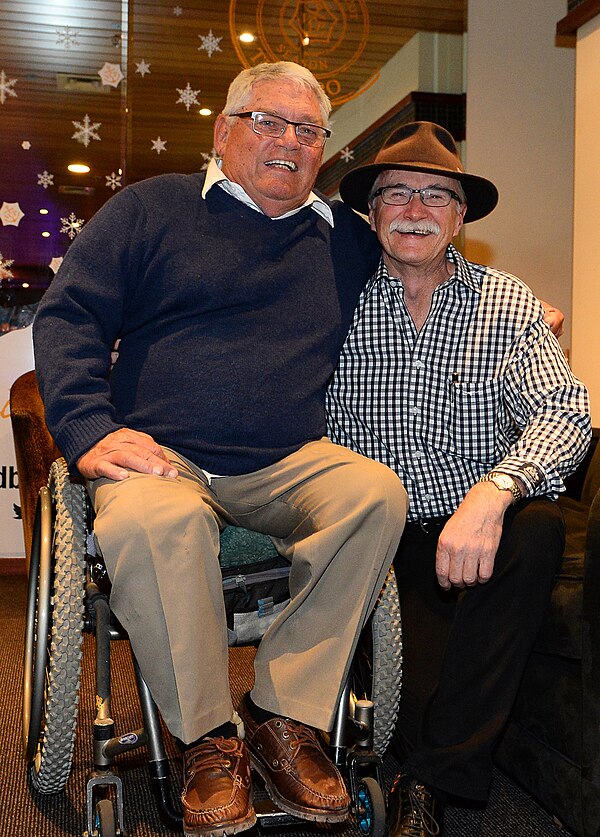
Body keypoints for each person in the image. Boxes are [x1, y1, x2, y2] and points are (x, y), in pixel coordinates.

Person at [33, 62, 409, 837]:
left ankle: (281, 715)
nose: (289, 142)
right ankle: (207, 738)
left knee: (375, 493)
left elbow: (426, 257)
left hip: (286, 459)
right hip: (166, 457)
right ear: (224, 130)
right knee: (151, 522)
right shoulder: (152, 209)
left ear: (322, 150)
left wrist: (510, 302)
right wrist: (89, 429)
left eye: (308, 131)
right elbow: (69, 316)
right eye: (269, 121)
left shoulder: (344, 239)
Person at [326, 121, 591, 836]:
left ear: (461, 215)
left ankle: (430, 786)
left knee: (535, 527)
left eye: (437, 195)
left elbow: (565, 410)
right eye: (397, 194)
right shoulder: (335, 305)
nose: (416, 209)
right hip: (379, 532)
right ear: (372, 212)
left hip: (480, 528)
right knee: (414, 695)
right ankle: (417, 752)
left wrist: (497, 488)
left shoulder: (507, 304)